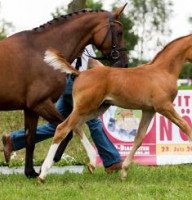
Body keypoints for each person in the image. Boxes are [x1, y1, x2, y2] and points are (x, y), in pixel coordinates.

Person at [2, 45, 122, 173]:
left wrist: (111, 78)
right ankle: (112, 161)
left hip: (81, 84)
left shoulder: (87, 42)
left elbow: (92, 62)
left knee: (57, 125)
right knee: (93, 122)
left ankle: (13, 140)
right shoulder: (74, 38)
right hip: (73, 83)